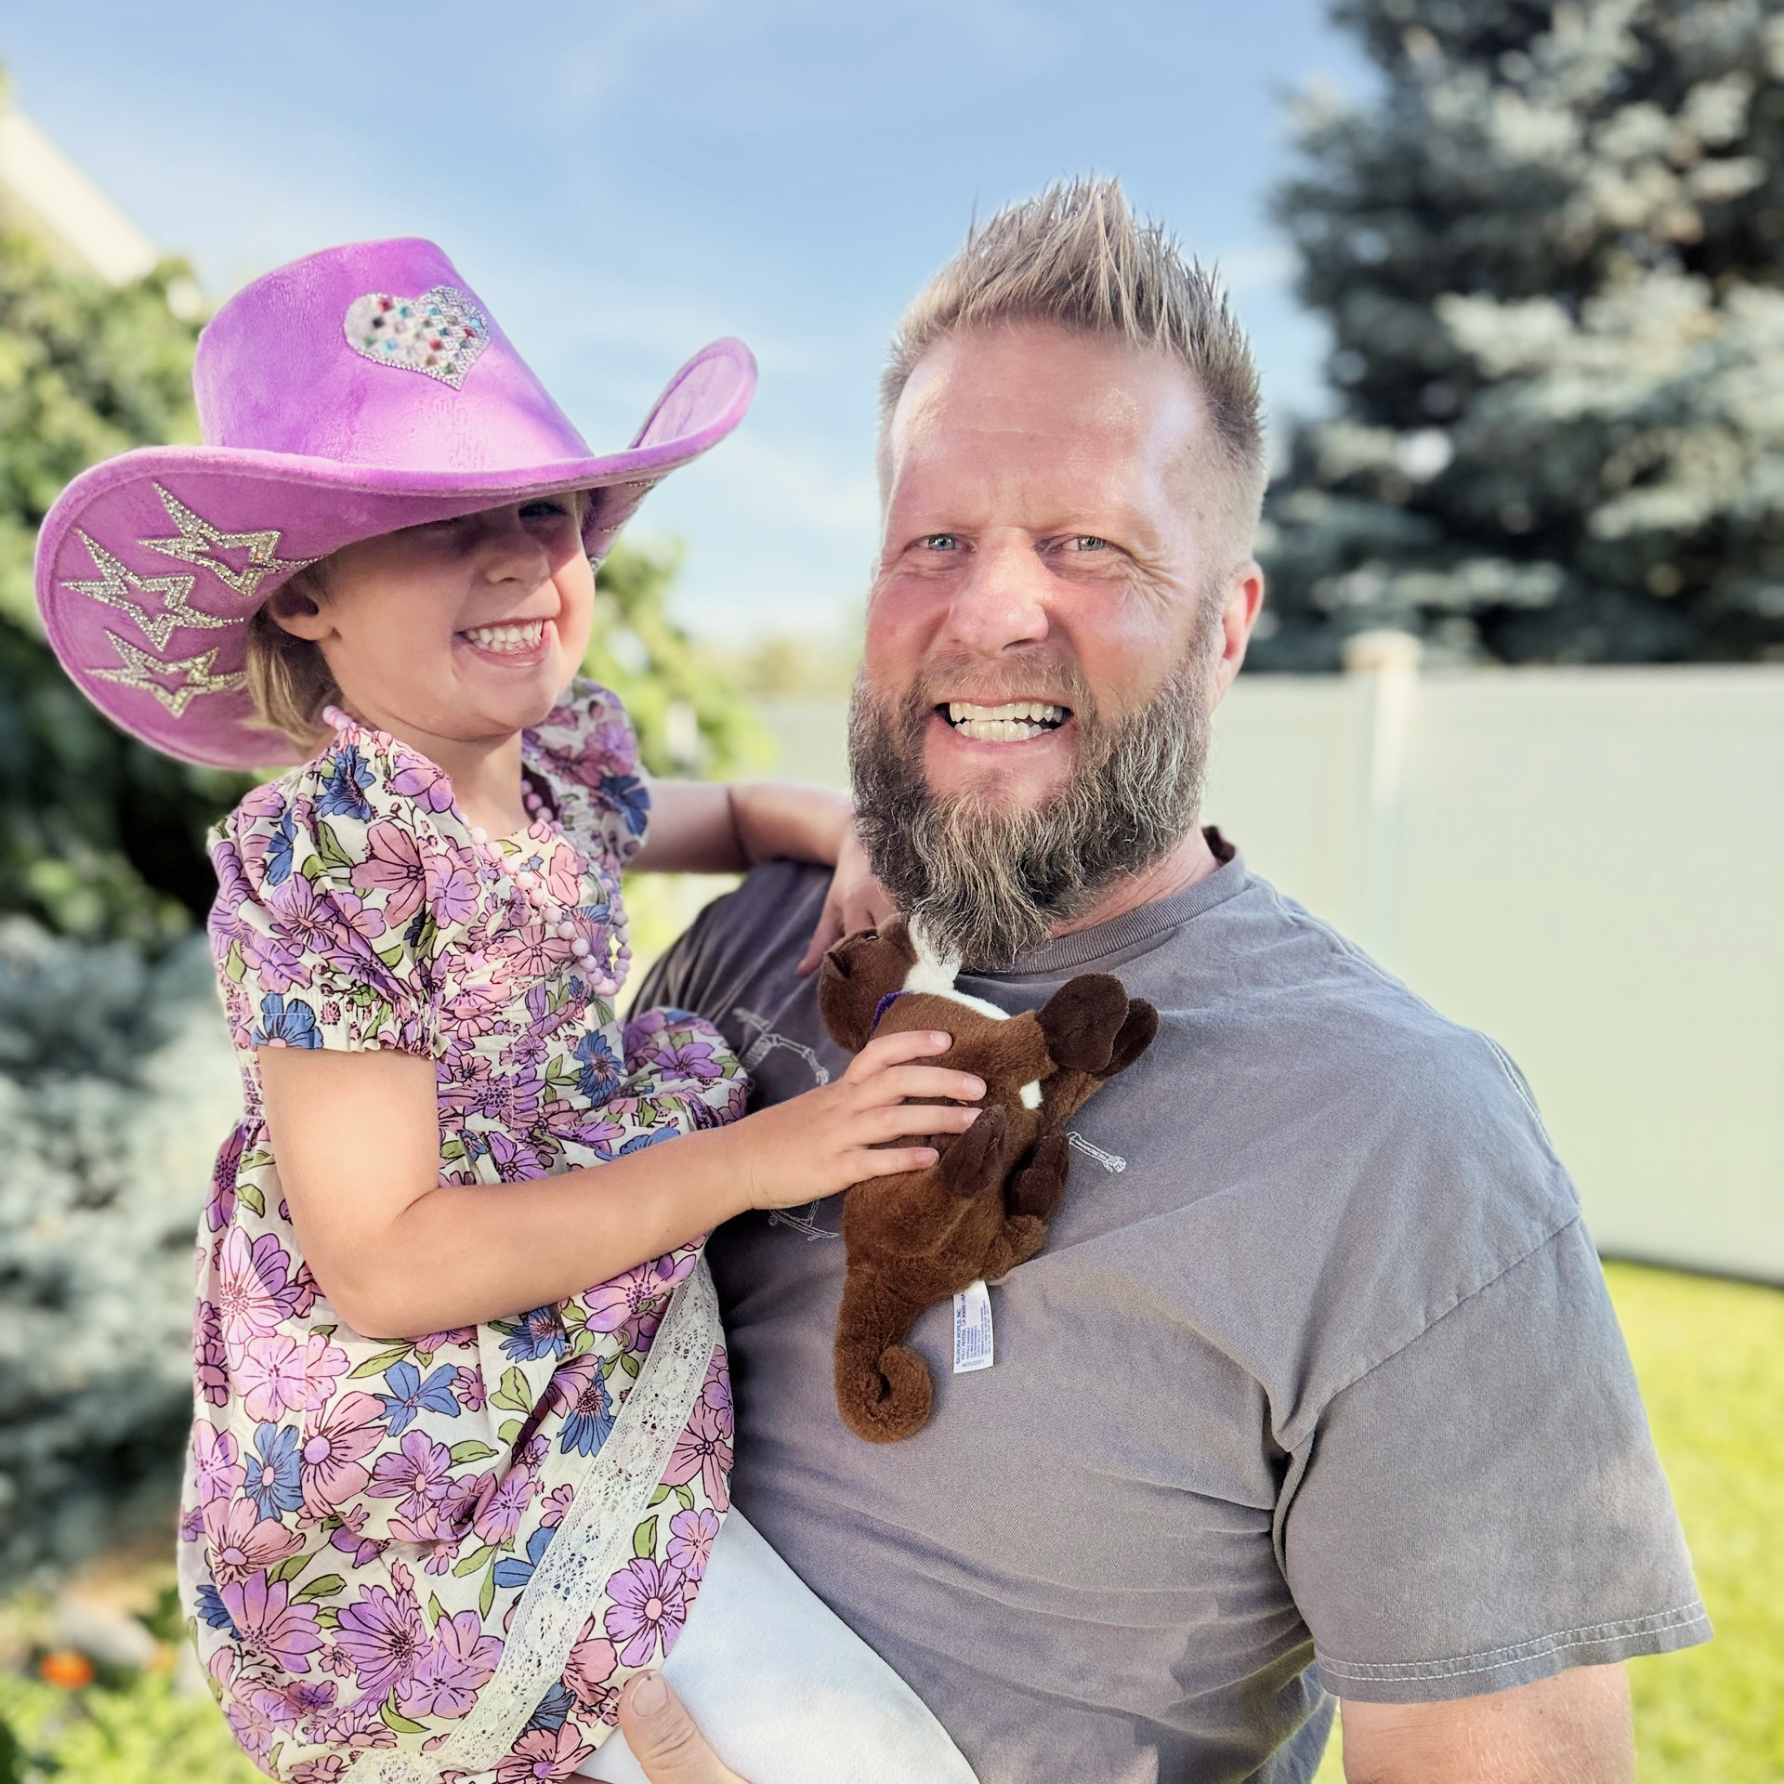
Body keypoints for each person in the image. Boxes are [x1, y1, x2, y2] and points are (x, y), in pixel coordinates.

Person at [627, 179, 1711, 1784]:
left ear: (1228, 625)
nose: (993, 610)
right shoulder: (751, 952)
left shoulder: (1401, 1142)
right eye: (935, 540)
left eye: (1089, 544)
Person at [32, 239, 984, 1784]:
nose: (515, 555)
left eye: (545, 510)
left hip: (571, 1328)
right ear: (306, 602)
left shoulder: (558, 775)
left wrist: (851, 834)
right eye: (433, 524)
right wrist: (762, 1157)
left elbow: (736, 804)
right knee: (827, 1751)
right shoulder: (330, 854)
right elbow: (388, 1262)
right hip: (421, 1452)